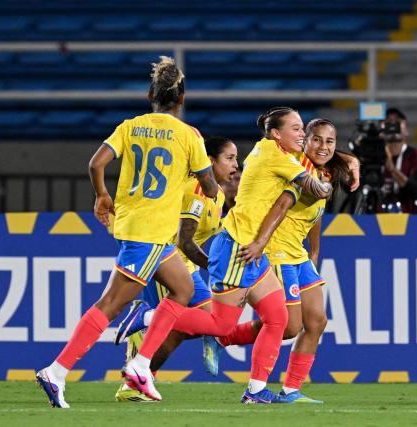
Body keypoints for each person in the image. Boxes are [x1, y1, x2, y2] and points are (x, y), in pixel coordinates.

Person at [115, 106, 334, 404]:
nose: (302, 134)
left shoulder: (273, 152)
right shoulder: (274, 155)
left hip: (252, 250)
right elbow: (317, 189)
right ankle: (148, 315)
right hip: (237, 247)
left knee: (277, 317)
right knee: (221, 325)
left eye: (301, 128)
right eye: (296, 128)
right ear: (276, 134)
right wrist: (332, 179)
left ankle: (256, 391)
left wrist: (343, 162)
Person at [35, 56, 219, 408]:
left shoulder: (130, 126)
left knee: (181, 288)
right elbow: (210, 187)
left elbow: (96, 163)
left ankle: (141, 364)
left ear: (151, 95)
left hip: (141, 229)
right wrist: (200, 177)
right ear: (181, 99)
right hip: (149, 232)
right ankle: (57, 371)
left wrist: (102, 194)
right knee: (110, 304)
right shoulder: (188, 135)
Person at [202, 118, 359, 404]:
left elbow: (315, 215)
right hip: (277, 251)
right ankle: (223, 337)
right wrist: (261, 243)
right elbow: (283, 205)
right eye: (316, 140)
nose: (323, 146)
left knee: (317, 321)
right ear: (304, 142)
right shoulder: (296, 167)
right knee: (287, 326)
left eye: (330, 142)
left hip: (298, 254)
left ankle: (291, 390)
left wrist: (314, 251)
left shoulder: (322, 169)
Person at [113, 135, 238, 402]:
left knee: (181, 330)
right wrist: (217, 268)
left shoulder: (219, 195)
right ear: (210, 161)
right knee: (213, 321)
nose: (236, 165)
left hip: (185, 263)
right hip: (167, 261)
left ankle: (136, 381)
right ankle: (145, 319)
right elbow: (185, 240)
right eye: (229, 158)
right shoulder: (196, 190)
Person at [381, 107, 417, 214]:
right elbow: (351, 187)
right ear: (380, 131)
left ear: (406, 131)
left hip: (412, 222)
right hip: (375, 221)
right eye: (388, 122)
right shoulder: (372, 157)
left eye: (397, 122)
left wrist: (392, 170)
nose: (392, 125)